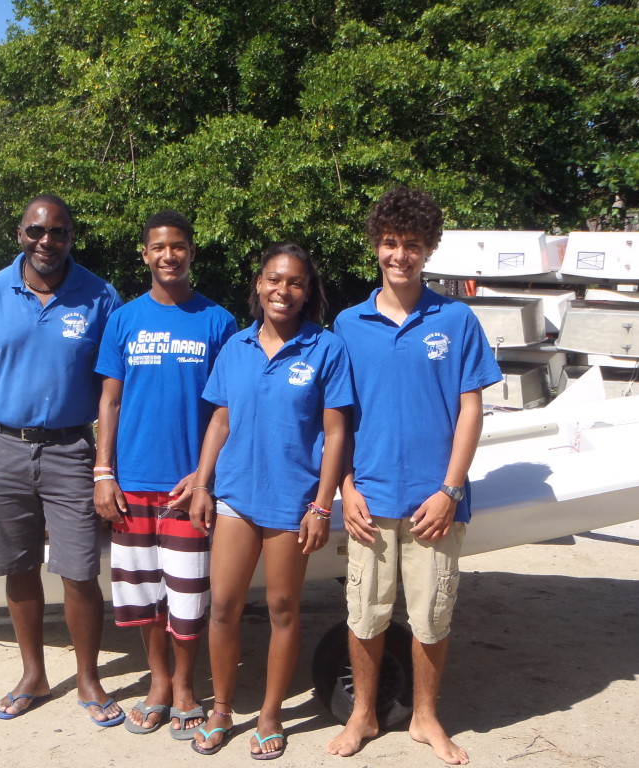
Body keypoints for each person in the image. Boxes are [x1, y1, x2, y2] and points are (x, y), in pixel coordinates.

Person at [325, 187, 502, 764]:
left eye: (413, 245)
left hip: (435, 502)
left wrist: (450, 490)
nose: (400, 255)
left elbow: (471, 408)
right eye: (390, 243)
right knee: (365, 614)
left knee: (431, 617)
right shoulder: (348, 324)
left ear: (428, 251)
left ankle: (426, 717)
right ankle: (364, 714)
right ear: (377, 245)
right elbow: (338, 418)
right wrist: (346, 489)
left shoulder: (456, 320)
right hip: (369, 500)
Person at [0, 194, 126, 727]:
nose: (47, 241)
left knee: (78, 569)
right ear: (19, 233)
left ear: (72, 236)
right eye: (36, 231)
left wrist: (108, 464)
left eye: (59, 232)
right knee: (18, 564)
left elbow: (113, 386)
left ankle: (89, 679)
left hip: (71, 447)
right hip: (2, 444)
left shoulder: (100, 296)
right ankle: (34, 675)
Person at [189, 242, 352, 759]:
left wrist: (322, 505)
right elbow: (220, 419)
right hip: (236, 496)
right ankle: (221, 710)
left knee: (283, 608)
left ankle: (270, 714)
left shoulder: (325, 348)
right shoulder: (235, 346)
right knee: (223, 608)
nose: (284, 291)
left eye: (296, 282)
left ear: (308, 292)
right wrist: (201, 483)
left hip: (293, 502)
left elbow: (336, 432)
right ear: (258, 284)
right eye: (274, 280)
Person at [94, 210, 237, 739]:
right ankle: (156, 682)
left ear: (192, 252)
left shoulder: (218, 322)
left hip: (188, 487)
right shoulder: (124, 319)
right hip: (130, 481)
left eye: (178, 246)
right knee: (142, 593)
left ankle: (184, 684)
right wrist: (103, 473)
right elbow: (109, 401)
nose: (168, 255)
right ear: (145, 254)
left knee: (186, 593)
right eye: (159, 247)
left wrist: (204, 476)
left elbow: (227, 410)